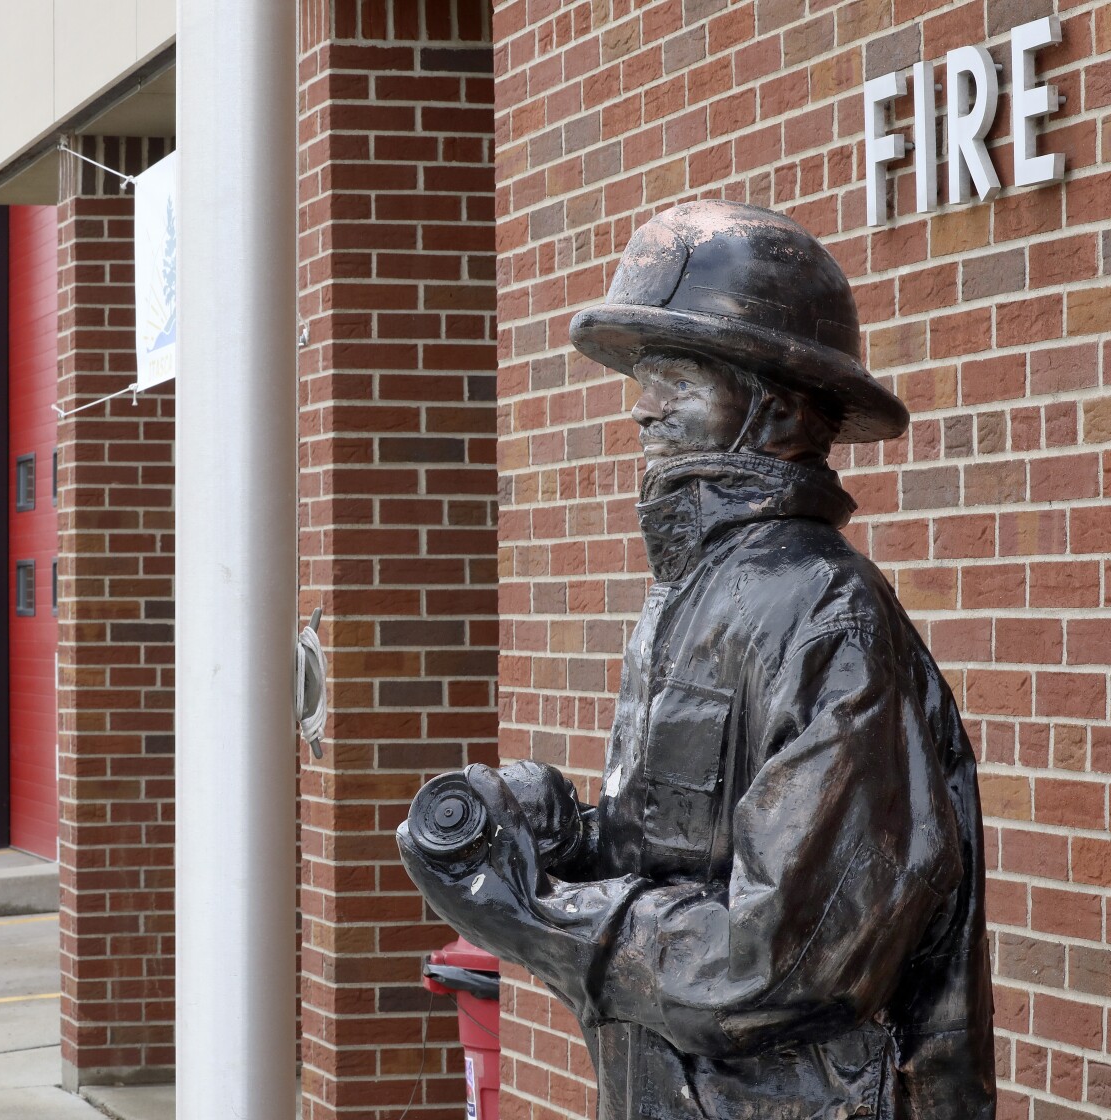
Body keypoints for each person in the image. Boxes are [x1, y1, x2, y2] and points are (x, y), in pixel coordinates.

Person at [398, 200, 994, 1119]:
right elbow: (690, 871)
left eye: (679, 374)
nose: (644, 405)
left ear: (779, 405)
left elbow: (786, 961)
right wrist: (561, 838)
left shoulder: (823, 610)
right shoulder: (696, 596)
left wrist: (541, 915)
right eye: (644, 374)